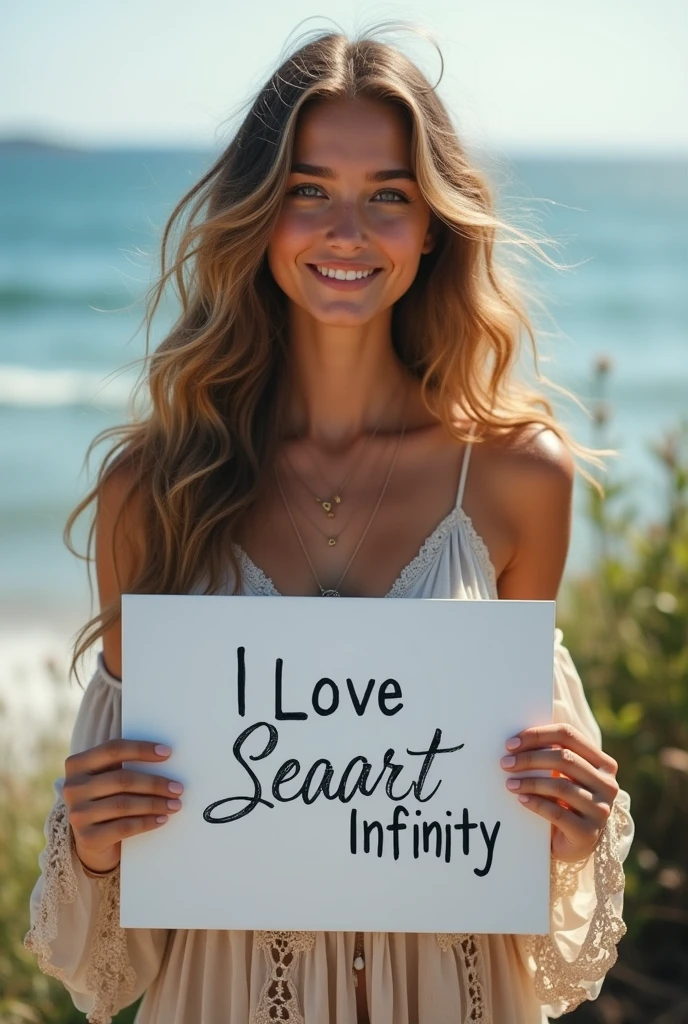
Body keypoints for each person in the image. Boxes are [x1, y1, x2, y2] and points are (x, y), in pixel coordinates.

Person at [24, 27, 634, 1024]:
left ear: (432, 224)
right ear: (259, 216)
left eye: (388, 195)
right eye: (309, 189)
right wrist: (92, 841)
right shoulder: (157, 489)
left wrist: (567, 831)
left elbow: (520, 845)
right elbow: (112, 956)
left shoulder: (518, 478)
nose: (346, 230)